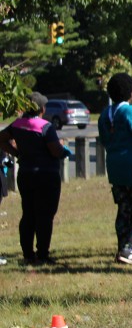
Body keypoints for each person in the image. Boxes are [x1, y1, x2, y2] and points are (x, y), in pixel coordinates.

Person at [0, 92, 70, 265]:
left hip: (25, 173)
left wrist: (17, 153)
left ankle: (28, 254)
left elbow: (1, 139)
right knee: (45, 215)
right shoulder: (45, 127)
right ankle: (42, 254)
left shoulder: (17, 124)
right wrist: (62, 148)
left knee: (28, 214)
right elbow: (55, 150)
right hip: (46, 175)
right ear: (42, 109)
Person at [98, 73, 132, 265]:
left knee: (124, 208)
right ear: (131, 93)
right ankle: (130, 247)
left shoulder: (105, 114)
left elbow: (104, 140)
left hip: (114, 168)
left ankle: (121, 248)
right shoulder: (130, 112)